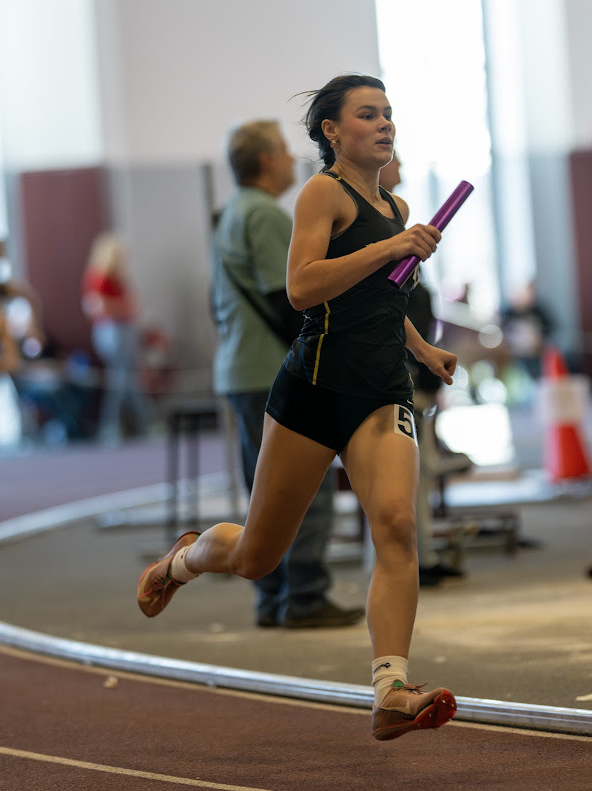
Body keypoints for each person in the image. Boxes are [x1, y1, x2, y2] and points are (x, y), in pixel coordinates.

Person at [137, 73, 458, 741]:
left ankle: (390, 690)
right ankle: (182, 560)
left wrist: (423, 349)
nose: (385, 123)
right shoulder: (322, 194)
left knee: (397, 524)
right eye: (368, 114)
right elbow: (302, 288)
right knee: (257, 556)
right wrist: (392, 246)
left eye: (388, 113)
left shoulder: (396, 206)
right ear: (332, 131)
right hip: (313, 390)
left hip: (381, 391)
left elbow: (379, 299)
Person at [212, 119, 364, 629]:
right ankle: (304, 595)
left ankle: (271, 596)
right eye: (282, 148)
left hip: (239, 366)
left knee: (263, 494)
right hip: (274, 369)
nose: (291, 157)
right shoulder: (266, 216)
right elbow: (294, 298)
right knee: (304, 489)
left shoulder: (230, 213)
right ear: (266, 161)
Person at [379, 155, 468, 587]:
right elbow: (378, 302)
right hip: (387, 373)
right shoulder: (360, 215)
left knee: (419, 472)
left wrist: (425, 355)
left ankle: (421, 557)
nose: (397, 162)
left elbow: (398, 304)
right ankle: (405, 562)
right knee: (398, 483)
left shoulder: (395, 215)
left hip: (409, 368)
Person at [81, 232, 153, 444]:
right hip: (112, 330)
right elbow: (98, 307)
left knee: (127, 378)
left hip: (125, 328)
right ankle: (114, 426)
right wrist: (124, 306)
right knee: (121, 380)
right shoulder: (99, 277)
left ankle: (138, 422)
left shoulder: (117, 278)